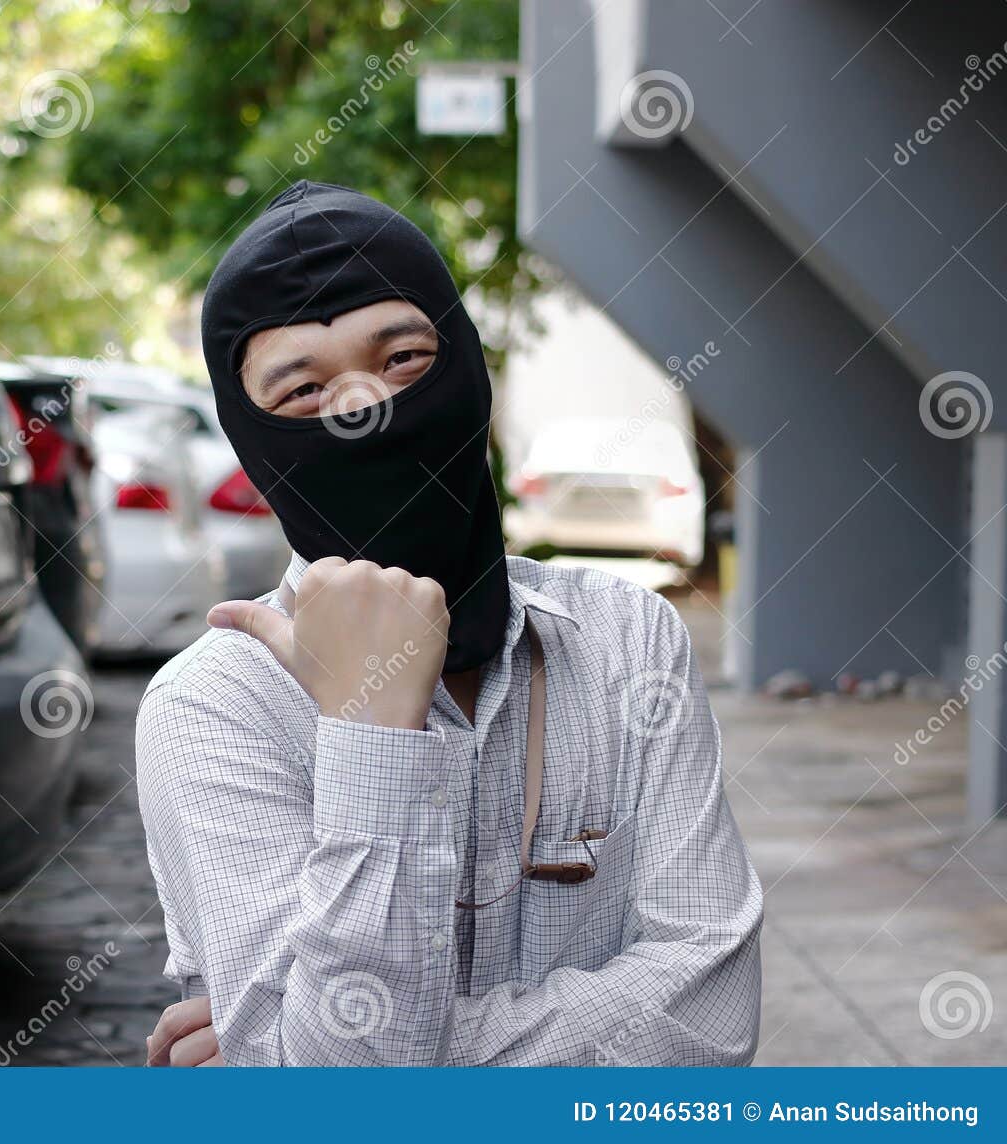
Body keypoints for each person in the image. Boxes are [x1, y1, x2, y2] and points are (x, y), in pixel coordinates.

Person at [135, 181, 762, 1067]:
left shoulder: (628, 638)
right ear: (252, 435)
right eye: (304, 389)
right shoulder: (214, 704)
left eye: (401, 360)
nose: (361, 408)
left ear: (467, 370)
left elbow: (711, 1022)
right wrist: (372, 731)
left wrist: (285, 1056)